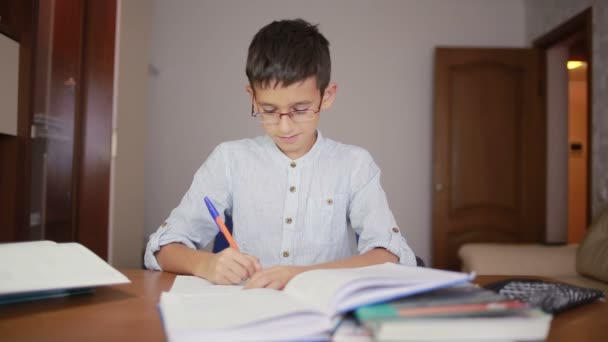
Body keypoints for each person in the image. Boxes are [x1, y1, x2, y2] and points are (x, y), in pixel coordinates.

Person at [144, 18, 417, 289]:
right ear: (253, 97)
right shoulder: (229, 159)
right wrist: (206, 264)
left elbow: (390, 255)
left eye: (300, 109)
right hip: (247, 310)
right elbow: (162, 248)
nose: (284, 126)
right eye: (269, 110)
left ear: (327, 96)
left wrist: (301, 274)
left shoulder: (354, 164)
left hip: (323, 312)